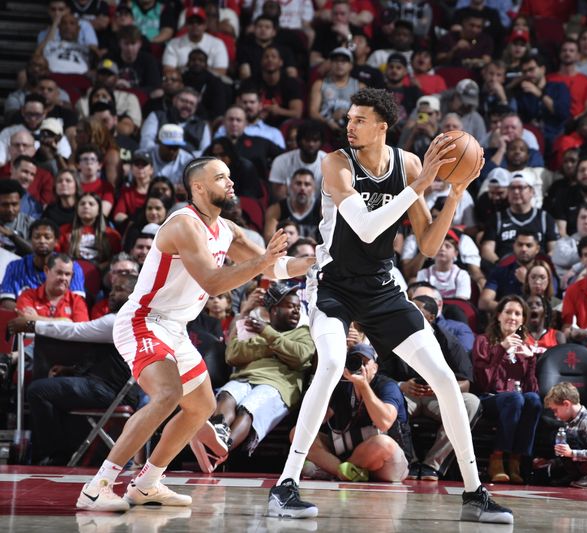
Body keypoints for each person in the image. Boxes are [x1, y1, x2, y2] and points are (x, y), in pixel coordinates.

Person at [267, 88, 512, 524]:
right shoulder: (336, 163)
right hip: (334, 285)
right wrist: (420, 185)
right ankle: (285, 485)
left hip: (382, 287)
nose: (349, 124)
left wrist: (454, 193)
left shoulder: (408, 163)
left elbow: (429, 243)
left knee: (444, 378)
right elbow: (362, 228)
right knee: (329, 365)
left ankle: (475, 492)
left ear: (382, 126)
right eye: (349, 118)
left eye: (359, 119)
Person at [75, 156, 315, 512]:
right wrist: (262, 263)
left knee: (202, 405)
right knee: (168, 394)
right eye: (221, 178)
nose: (231, 183)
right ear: (199, 187)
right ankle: (98, 486)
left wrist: (318, 261)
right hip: (145, 320)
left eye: (230, 176)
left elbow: (277, 267)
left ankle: (146, 484)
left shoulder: (228, 229)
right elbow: (214, 281)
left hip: (175, 327)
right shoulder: (183, 225)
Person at [10, 274, 138, 465]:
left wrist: (31, 324)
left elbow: (75, 331)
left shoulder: (119, 320)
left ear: (134, 295)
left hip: (109, 391)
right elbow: (107, 360)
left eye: (119, 290)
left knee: (38, 390)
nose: (111, 294)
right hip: (114, 389)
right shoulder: (133, 319)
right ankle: (64, 450)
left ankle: (55, 455)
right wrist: (72, 370)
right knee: (49, 389)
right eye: (111, 289)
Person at [190, 282, 314, 473]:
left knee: (248, 408)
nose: (297, 311)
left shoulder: (302, 333)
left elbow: (300, 356)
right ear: (273, 310)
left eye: (298, 307)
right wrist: (276, 347)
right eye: (290, 306)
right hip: (244, 378)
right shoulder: (252, 325)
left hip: (278, 385)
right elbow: (233, 354)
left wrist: (266, 334)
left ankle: (219, 452)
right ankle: (219, 432)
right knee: (227, 394)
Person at [381, 294, 480, 482]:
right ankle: (408, 461)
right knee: (385, 403)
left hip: (437, 397)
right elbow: (380, 376)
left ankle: (432, 465)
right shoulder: (394, 336)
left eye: (417, 311)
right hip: (406, 395)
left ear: (431, 318)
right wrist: (401, 386)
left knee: (471, 403)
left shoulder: (449, 341)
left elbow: (466, 383)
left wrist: (442, 388)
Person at [300, 342, 413, 483]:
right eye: (355, 361)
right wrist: (326, 378)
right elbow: (315, 420)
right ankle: (343, 471)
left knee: (383, 443)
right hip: (349, 455)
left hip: (387, 462)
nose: (360, 367)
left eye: (365, 362)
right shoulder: (341, 385)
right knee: (299, 433)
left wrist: (363, 386)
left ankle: (330, 471)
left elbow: (384, 423)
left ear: (375, 368)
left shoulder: (388, 386)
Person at [473, 295, 543, 484]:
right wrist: (501, 349)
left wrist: (530, 361)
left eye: (517, 314)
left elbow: (532, 390)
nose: (512, 317)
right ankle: (496, 458)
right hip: (490, 398)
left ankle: (516, 460)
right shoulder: (484, 341)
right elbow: (484, 382)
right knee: (515, 399)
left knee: (534, 401)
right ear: (498, 316)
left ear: (523, 320)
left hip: (516, 400)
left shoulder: (525, 346)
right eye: (508, 312)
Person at [0, 218, 85, 307]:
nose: (42, 241)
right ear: (30, 240)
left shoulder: (71, 266)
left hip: (60, 319)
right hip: (23, 318)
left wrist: (39, 318)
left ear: (56, 241)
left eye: (47, 237)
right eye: (37, 237)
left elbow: (77, 303)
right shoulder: (15, 266)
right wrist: (29, 316)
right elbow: (6, 302)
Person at [544, 382, 587, 489]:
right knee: (558, 435)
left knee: (570, 437)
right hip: (583, 461)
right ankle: (574, 475)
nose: (555, 415)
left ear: (566, 404)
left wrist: (571, 453)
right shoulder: (570, 421)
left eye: (555, 410)